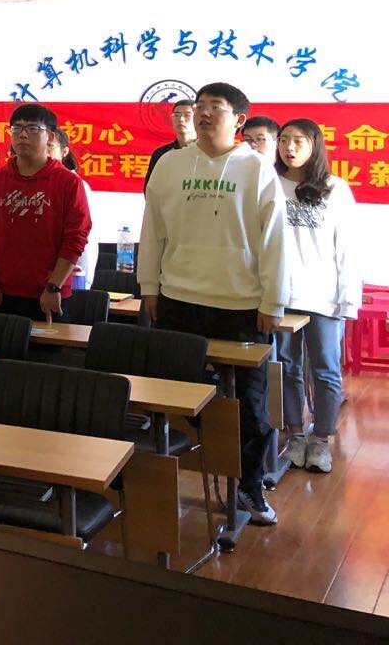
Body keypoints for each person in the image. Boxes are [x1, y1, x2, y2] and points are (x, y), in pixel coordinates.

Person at [140, 81, 287, 526]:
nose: (203, 113)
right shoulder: (170, 164)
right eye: (199, 106)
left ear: (238, 119)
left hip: (241, 306)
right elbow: (152, 229)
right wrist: (149, 286)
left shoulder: (257, 168)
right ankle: (191, 475)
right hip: (178, 300)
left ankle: (249, 486)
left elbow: (274, 240)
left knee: (250, 407)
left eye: (215, 107)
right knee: (178, 399)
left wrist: (273, 300)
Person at [276, 118, 360, 475]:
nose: (289, 147)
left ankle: (321, 438)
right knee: (287, 367)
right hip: (280, 294)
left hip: (323, 296)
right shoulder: (269, 185)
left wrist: (348, 298)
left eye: (298, 141)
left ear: (315, 145)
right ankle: (296, 434)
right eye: (284, 140)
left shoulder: (335, 189)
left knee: (325, 369)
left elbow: (347, 248)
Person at [0, 104, 90, 321]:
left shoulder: (69, 183)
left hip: (49, 294)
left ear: (50, 137)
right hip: (0, 293)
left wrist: (54, 287)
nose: (23, 135)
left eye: (33, 128)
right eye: (17, 128)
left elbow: (75, 239)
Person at [50, 127, 95, 291]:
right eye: (42, 147)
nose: (45, 153)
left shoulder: (76, 184)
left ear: (64, 152)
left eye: (50, 147)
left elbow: (81, 236)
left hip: (73, 272)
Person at [144, 99, 195, 187]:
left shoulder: (207, 151)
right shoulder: (161, 154)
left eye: (187, 115)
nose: (181, 119)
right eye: (177, 115)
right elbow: (150, 188)